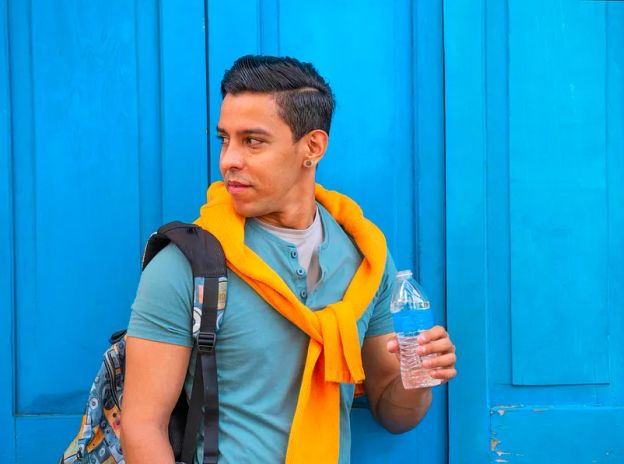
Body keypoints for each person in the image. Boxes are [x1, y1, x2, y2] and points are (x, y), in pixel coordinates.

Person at [120, 55, 457, 464]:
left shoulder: (366, 262)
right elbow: (142, 427)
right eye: (224, 138)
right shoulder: (187, 265)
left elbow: (394, 414)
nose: (229, 159)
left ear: (312, 147)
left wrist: (418, 373)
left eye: (253, 141)